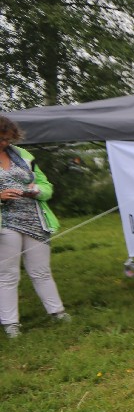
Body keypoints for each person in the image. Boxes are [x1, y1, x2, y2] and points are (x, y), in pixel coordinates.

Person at [0, 117, 68, 338]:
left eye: (8, 139)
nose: (5, 143)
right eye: (1, 139)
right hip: (5, 222)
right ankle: (11, 324)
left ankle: (58, 313)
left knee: (41, 271)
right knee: (7, 274)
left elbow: (47, 186)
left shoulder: (23, 155)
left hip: (35, 219)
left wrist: (37, 190)